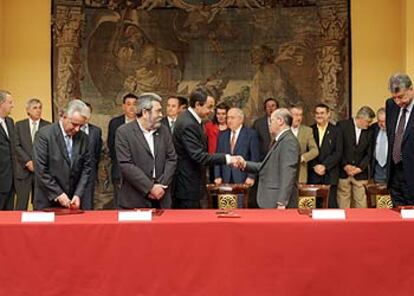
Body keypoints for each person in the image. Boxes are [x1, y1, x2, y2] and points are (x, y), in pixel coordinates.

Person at [173, 86, 241, 209]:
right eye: (209, 107)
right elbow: (199, 156)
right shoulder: (188, 124)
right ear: (198, 104)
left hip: (193, 184)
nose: (212, 111)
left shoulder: (194, 120)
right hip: (187, 186)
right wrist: (228, 159)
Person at [116, 93, 177, 208]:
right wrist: (150, 187)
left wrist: (161, 185)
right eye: (158, 111)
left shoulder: (163, 131)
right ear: (145, 112)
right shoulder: (124, 132)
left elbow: (172, 158)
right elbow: (125, 164)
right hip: (135, 199)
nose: (161, 115)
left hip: (162, 198)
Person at [33, 100, 92, 210]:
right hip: (47, 199)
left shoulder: (84, 138)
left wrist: (78, 194)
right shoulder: (44, 135)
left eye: (81, 125)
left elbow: (86, 169)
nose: (77, 129)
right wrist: (58, 194)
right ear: (63, 117)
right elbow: (40, 169)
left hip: (73, 200)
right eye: (74, 124)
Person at [236, 108, 300, 208]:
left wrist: (282, 202)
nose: (269, 124)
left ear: (280, 121)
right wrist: (245, 164)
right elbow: (267, 166)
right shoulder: (279, 140)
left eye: (271, 121)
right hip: (271, 199)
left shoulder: (288, 142)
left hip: (278, 202)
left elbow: (288, 173)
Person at [214, 108, 260, 207]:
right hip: (225, 177)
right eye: (228, 118)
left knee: (240, 206)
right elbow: (218, 157)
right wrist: (217, 175)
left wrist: (251, 176)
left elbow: (254, 157)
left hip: (242, 178)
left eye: (232, 118)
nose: (229, 120)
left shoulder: (251, 134)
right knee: (225, 206)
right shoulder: (222, 135)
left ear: (241, 119)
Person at [14, 98, 50, 210]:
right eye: (35, 108)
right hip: (23, 170)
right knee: (21, 204)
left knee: (40, 205)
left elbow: (49, 148)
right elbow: (16, 146)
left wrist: (37, 163)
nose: (38, 110)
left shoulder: (48, 126)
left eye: (40, 108)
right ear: (28, 110)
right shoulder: (19, 125)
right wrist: (28, 162)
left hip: (40, 171)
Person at [337, 106, 375, 208]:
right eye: (368, 121)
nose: (369, 124)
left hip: (360, 174)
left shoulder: (370, 131)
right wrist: (345, 166)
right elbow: (338, 149)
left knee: (361, 204)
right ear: (360, 118)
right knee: (343, 204)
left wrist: (359, 168)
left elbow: (369, 153)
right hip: (343, 173)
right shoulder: (342, 126)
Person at [386, 73, 414, 206]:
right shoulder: (391, 105)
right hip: (395, 175)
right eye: (394, 97)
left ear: (411, 89)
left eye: (401, 97)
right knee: (397, 220)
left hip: (412, 173)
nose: (398, 102)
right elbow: (391, 137)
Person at [107, 93, 138, 208]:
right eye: (128, 104)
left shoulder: (142, 123)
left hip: (139, 173)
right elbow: (111, 146)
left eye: (135, 104)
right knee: (120, 206)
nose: (131, 107)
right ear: (123, 106)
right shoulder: (115, 123)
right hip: (119, 172)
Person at [308, 103, 342, 208]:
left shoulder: (336, 130)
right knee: (313, 208)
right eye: (317, 113)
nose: (319, 116)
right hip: (313, 175)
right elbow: (306, 151)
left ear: (328, 114)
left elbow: (338, 152)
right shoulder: (310, 130)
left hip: (330, 175)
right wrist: (315, 166)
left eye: (322, 113)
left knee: (330, 206)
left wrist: (324, 166)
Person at [80, 102, 103, 210]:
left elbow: (97, 151)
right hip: (73, 172)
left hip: (90, 171)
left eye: (88, 112)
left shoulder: (96, 131)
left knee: (88, 202)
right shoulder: (73, 129)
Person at [289, 105, 319, 183]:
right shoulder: (283, 129)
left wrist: (303, 157)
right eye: (296, 115)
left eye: (300, 115)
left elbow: (315, 150)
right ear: (289, 116)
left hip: (300, 174)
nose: (298, 118)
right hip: (283, 174)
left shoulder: (307, 131)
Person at [0, 90, 16, 210]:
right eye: (10, 102)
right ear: (1, 103)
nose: (12, 105)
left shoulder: (10, 122)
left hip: (11, 181)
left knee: (9, 219)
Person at [371, 107, 387, 184]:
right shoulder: (374, 128)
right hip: (378, 167)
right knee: (378, 193)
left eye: (384, 121)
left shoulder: (396, 129)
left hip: (391, 167)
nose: (382, 124)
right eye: (379, 121)